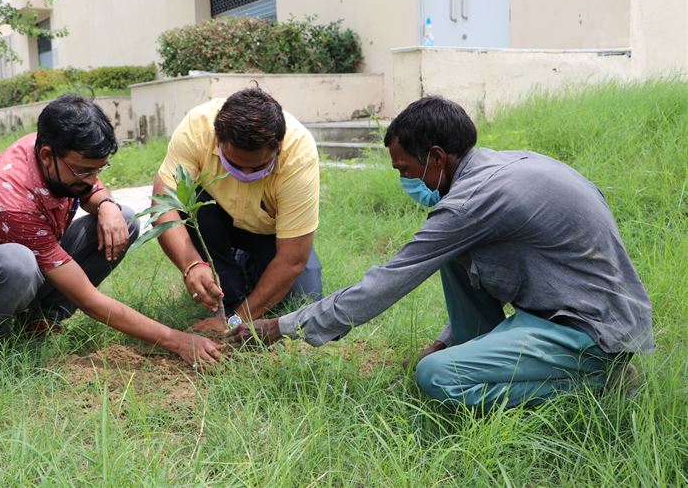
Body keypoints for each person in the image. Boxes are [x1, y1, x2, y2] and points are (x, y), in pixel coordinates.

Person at [229, 95, 653, 409]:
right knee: (454, 257)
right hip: (569, 308)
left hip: (590, 331)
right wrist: (446, 339)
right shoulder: (503, 169)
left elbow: (385, 284)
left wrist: (281, 327)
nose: (406, 181)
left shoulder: (471, 203)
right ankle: (479, 346)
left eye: (406, 171)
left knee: (437, 377)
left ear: (436, 157)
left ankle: (598, 381)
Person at [0, 95, 222, 367]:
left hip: (20, 270)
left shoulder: (48, 149)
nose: (91, 180)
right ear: (48, 155)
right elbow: (89, 300)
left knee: (123, 219)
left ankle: (39, 319)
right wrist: (177, 340)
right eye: (84, 171)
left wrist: (105, 204)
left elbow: (87, 186)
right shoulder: (10, 196)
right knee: (16, 262)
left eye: (99, 170)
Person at [151, 87, 323, 332]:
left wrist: (234, 321)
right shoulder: (197, 127)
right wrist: (191, 265)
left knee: (304, 300)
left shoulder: (299, 153)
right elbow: (163, 201)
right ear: (218, 140)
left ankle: (247, 265)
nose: (246, 175)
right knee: (227, 292)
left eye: (259, 166)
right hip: (215, 219)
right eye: (235, 165)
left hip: (270, 233)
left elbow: (292, 258)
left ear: (278, 146)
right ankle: (229, 278)